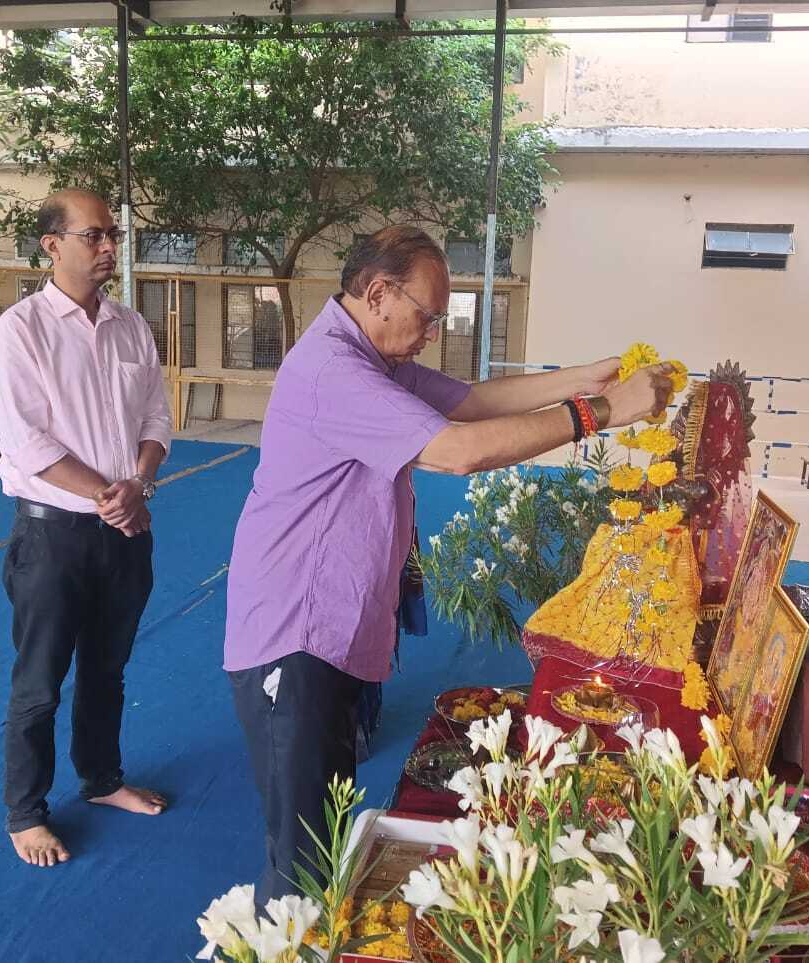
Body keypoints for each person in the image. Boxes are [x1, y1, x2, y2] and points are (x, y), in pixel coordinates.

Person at [224, 225, 674, 901]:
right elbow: (460, 448)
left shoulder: (372, 353)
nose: (432, 330)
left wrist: (588, 376)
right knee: (302, 863)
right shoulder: (334, 370)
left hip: (329, 628)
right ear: (378, 293)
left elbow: (471, 400)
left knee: (322, 835)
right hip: (296, 634)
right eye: (428, 314)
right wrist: (601, 410)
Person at [0, 188, 172, 868]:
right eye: (93, 235)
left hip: (124, 529)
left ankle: (102, 779)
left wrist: (138, 486)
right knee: (40, 679)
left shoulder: (131, 327)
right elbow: (26, 442)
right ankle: (26, 812)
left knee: (108, 668)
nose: (109, 248)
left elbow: (157, 420)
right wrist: (109, 495)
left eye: (112, 234)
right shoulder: (21, 330)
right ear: (52, 245)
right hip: (53, 536)